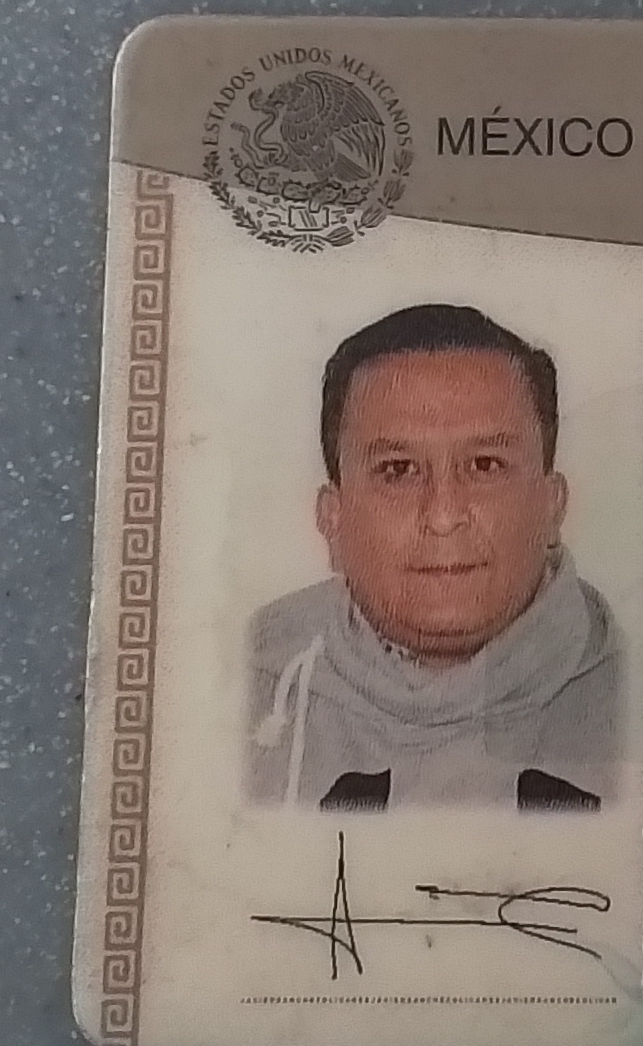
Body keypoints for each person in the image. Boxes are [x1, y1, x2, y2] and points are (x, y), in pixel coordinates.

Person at [247, 302, 618, 812]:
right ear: (333, 519)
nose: (443, 516)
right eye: (398, 470)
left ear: (552, 506)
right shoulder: (235, 690)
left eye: (485, 465)